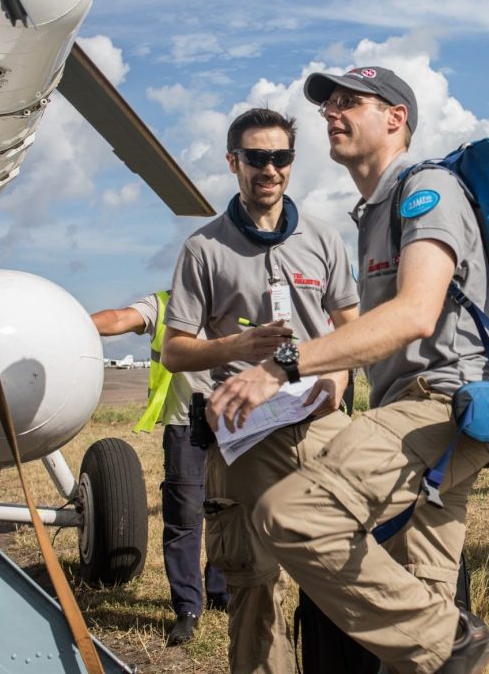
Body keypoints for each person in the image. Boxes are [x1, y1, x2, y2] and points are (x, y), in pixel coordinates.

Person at [208, 68, 489, 674]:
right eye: (328, 104)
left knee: (292, 517)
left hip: (439, 405)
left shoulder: (427, 192)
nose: (330, 113)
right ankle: (443, 643)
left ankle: (453, 639)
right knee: (418, 594)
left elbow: (415, 314)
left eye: (349, 102)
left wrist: (283, 367)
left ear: (396, 118)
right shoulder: (372, 212)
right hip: (425, 417)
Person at [161, 107, 359, 673]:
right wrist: (233, 350)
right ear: (233, 163)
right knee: (253, 586)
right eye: (255, 157)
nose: (268, 168)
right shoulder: (204, 248)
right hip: (243, 434)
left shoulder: (323, 238)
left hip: (320, 425)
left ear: (292, 164)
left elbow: (351, 329)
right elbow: (175, 349)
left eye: (280, 157)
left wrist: (339, 379)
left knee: (343, 569)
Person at [91, 292, 229, 647]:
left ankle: (221, 591)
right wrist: (68, 323)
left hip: (237, 421)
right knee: (183, 515)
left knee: (228, 511)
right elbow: (120, 319)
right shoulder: (166, 303)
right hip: (187, 423)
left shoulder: (238, 296)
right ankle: (187, 609)